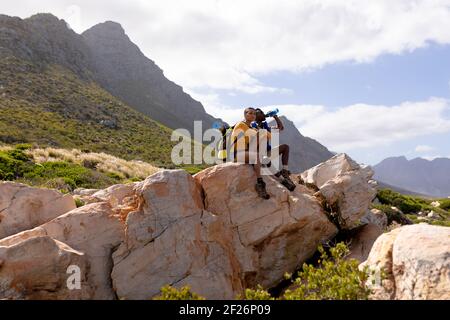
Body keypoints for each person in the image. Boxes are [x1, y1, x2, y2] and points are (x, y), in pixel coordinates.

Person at [230, 107, 270, 199]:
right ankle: (260, 183)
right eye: (250, 113)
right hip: (237, 154)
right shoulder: (241, 125)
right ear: (245, 114)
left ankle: (260, 162)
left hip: (246, 152)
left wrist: (260, 130)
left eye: (254, 114)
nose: (253, 115)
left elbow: (269, 137)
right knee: (257, 155)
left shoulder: (251, 127)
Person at [252, 108, 296, 191]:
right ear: (256, 116)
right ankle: (283, 181)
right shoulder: (252, 126)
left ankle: (285, 171)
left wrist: (275, 116)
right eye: (261, 112)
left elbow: (280, 128)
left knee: (285, 147)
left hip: (267, 152)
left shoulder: (264, 125)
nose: (264, 113)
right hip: (258, 155)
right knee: (265, 159)